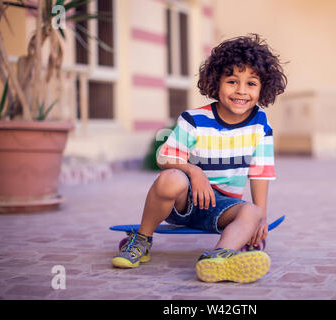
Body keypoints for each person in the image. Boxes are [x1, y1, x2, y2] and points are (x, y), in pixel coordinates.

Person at [112, 34, 287, 283]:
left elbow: (261, 172)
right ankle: (141, 239)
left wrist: (262, 217)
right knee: (171, 178)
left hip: (223, 209)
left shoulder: (260, 124)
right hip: (184, 202)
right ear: (216, 83)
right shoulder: (194, 119)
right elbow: (164, 157)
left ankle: (217, 258)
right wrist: (195, 173)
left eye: (251, 83)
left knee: (251, 211)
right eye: (232, 81)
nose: (241, 91)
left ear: (263, 88)